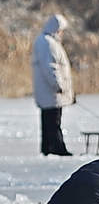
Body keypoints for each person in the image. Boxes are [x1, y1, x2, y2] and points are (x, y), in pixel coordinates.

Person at [32, 14, 75, 156]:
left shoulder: (45, 41)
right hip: (51, 93)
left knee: (48, 122)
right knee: (53, 122)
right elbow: (50, 67)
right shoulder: (48, 44)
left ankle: (47, 148)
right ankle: (57, 149)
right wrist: (59, 86)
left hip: (48, 94)